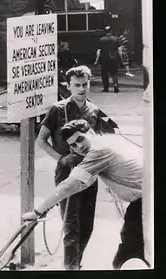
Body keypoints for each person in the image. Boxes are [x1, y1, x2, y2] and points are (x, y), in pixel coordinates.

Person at [24, 119, 148, 270]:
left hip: (145, 202)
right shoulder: (107, 141)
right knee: (142, 252)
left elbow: (70, 185)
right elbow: (83, 182)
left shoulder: (99, 151)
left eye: (80, 139)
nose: (79, 147)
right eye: (73, 145)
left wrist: (38, 211)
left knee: (124, 259)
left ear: (90, 132)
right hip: (145, 200)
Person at [37, 65, 104, 270]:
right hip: (67, 172)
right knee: (71, 226)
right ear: (69, 86)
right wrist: (60, 158)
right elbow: (41, 140)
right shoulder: (57, 109)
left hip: (90, 173)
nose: (81, 89)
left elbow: (103, 141)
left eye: (85, 84)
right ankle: (71, 267)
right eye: (77, 85)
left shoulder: (94, 110)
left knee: (87, 226)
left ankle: (76, 263)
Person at [94, 26, 122, 93]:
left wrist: (96, 60)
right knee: (115, 72)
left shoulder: (101, 39)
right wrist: (121, 59)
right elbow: (119, 50)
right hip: (114, 59)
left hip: (104, 59)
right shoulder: (116, 39)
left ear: (105, 32)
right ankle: (115, 85)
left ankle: (106, 88)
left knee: (104, 73)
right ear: (111, 31)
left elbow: (98, 51)